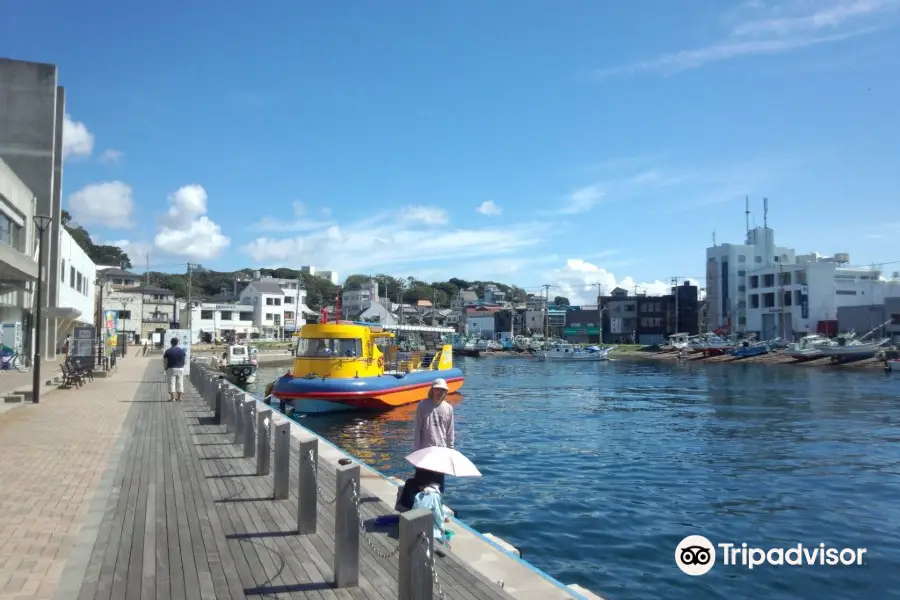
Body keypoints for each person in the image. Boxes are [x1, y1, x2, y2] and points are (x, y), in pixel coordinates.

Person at [412, 378, 455, 493]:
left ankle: (435, 506)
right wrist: (416, 451)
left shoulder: (448, 408)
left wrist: (450, 451)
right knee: (421, 484)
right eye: (437, 389)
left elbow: (450, 431)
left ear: (445, 392)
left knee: (438, 485)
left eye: (442, 390)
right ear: (432, 390)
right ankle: (420, 508)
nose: (440, 392)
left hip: (440, 451)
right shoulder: (422, 405)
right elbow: (417, 430)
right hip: (424, 450)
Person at [163, 337, 187, 402]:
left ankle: (172, 398)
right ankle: (180, 398)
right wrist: (182, 366)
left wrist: (165, 368)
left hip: (171, 368)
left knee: (171, 383)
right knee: (180, 383)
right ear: (178, 343)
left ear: (171, 343)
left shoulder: (168, 351)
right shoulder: (182, 351)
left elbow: (165, 361)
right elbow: (185, 361)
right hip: (180, 368)